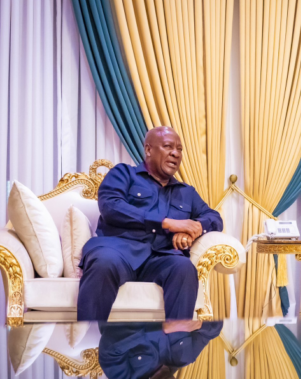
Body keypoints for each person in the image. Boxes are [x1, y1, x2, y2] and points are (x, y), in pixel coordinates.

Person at [77, 126, 223, 321]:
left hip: (161, 257)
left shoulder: (186, 192)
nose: (175, 153)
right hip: (118, 250)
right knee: (104, 262)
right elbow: (111, 207)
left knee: (183, 267)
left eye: (179, 149)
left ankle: (175, 345)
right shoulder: (124, 174)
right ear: (148, 150)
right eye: (168, 146)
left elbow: (214, 217)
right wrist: (168, 223)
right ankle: (89, 346)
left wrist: (193, 230)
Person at [98, 320, 223, 379]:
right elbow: (216, 327)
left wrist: (162, 328)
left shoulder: (124, 378)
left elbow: (109, 345)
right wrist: (198, 324)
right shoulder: (186, 356)